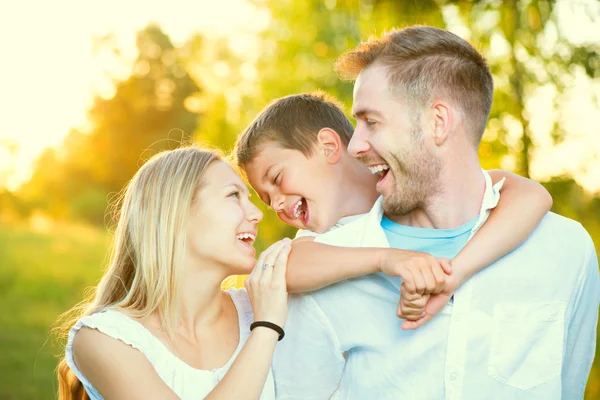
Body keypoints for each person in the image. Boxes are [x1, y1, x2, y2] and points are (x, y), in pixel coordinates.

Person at [243, 27, 599, 399]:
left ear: (438, 122)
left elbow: (568, 385)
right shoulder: (329, 263)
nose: (356, 144)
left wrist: (453, 273)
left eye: (372, 121)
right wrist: (388, 258)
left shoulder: (564, 249)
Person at [236, 91, 552, 329]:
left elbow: (531, 196)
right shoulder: (326, 237)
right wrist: (388, 259)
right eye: (266, 199)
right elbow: (288, 267)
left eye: (277, 179)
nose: (276, 203)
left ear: (329, 147)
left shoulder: (407, 185)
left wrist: (454, 274)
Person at [56, 147, 291, 399]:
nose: (257, 214)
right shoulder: (104, 339)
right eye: (234, 195)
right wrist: (266, 327)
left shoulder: (260, 305)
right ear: (176, 212)